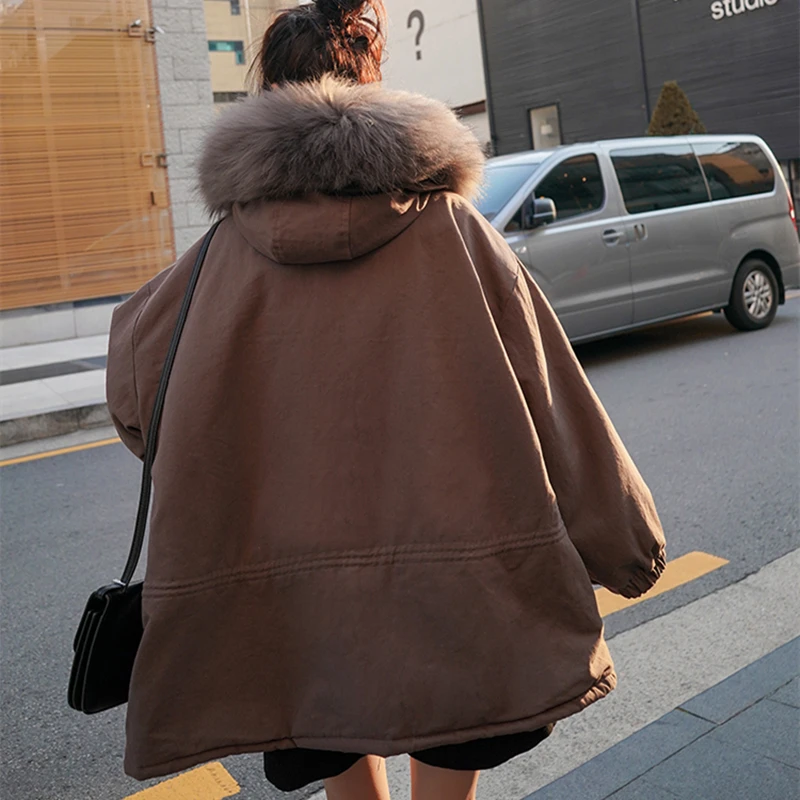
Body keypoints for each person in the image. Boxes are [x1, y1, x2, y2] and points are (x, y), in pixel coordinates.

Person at [105, 1, 666, 798]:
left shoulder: (209, 266)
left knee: (330, 725)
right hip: (455, 587)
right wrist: (628, 546)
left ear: (268, 97)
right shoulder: (457, 235)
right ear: (372, 86)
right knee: (450, 729)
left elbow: (136, 399)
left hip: (287, 607)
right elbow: (556, 405)